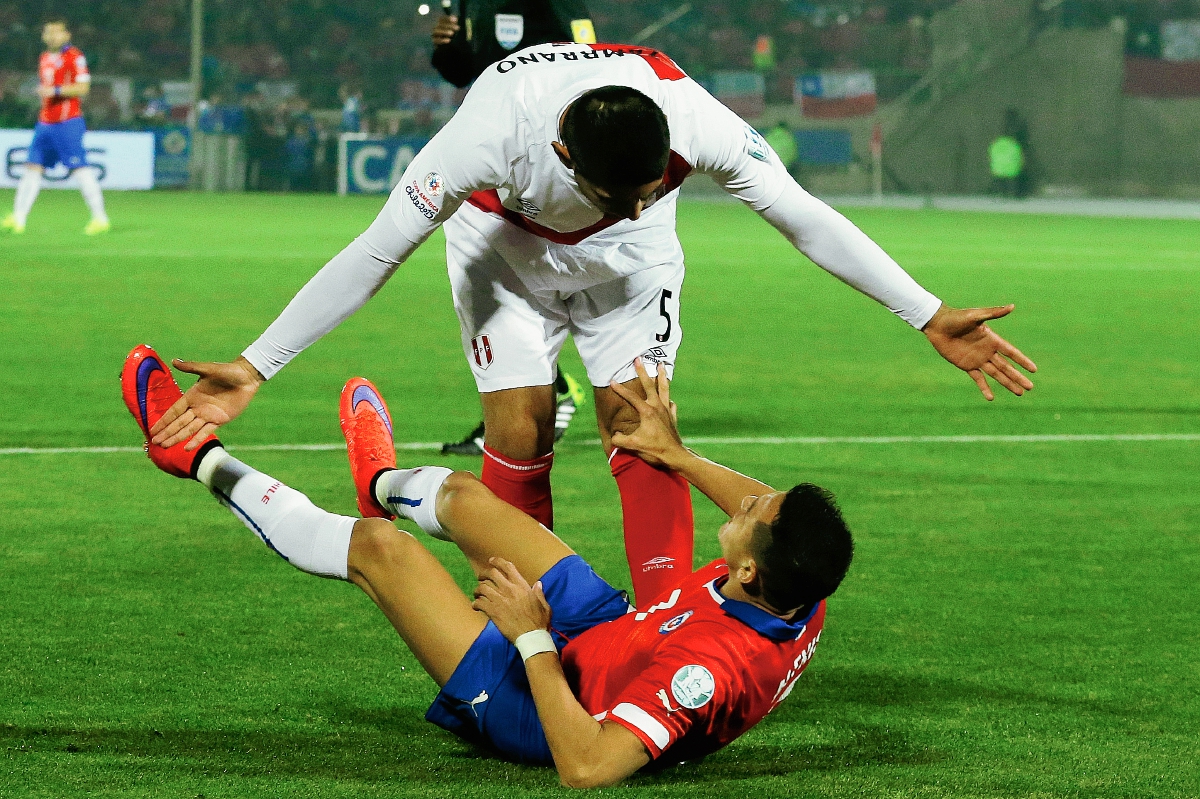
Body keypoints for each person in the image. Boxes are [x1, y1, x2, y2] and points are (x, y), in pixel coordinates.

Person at [148, 44, 1036, 609]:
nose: (642, 197)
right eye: (622, 191)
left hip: (632, 271)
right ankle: (532, 611)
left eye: (655, 184)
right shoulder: (491, 133)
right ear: (566, 156)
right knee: (519, 426)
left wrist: (924, 311)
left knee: (643, 425)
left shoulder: (690, 118)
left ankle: (656, 616)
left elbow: (802, 215)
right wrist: (259, 364)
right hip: (503, 252)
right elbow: (378, 250)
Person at [121, 345, 852, 786]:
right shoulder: (800, 584)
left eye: (757, 514)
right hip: (613, 633)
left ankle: (195, 458)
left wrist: (532, 639)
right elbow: (759, 505)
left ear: (752, 572)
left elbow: (589, 766)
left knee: (385, 552)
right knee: (467, 496)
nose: (749, 500)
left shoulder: (707, 671)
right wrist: (677, 454)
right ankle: (379, 483)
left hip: (546, 707)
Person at [431, 0, 597, 454]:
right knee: (493, 285)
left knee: (503, 286)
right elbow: (465, 71)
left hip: (544, 154)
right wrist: (448, 48)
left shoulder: (557, 4)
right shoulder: (474, 4)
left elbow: (589, 64)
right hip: (495, 147)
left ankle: (538, 403)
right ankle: (540, 398)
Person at [2, 18, 109, 236]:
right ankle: (18, 219)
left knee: (80, 169)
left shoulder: (74, 56)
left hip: (67, 122)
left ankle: (100, 218)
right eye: (48, 32)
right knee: (32, 168)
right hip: (45, 123)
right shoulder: (44, 58)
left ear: (66, 35)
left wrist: (56, 91)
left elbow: (83, 87)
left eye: (56, 32)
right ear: (43, 36)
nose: (52, 36)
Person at [431, 0, 597, 89]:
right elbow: (463, 75)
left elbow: (584, 49)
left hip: (540, 113)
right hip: (493, 110)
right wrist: (447, 46)